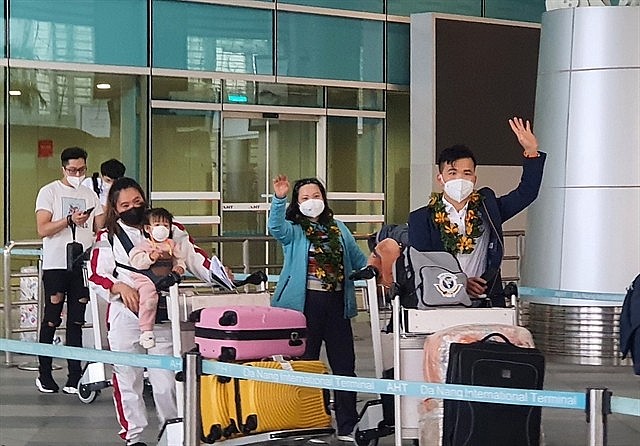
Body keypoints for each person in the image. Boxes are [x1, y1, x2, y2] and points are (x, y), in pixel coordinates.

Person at [89, 177, 225, 446]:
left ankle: (172, 433)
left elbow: (196, 258)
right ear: (115, 209)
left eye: (137, 201)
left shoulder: (170, 229)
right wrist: (118, 287)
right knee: (128, 378)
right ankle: (134, 437)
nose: (133, 208)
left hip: (164, 316)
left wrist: (220, 274)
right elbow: (96, 274)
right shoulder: (108, 236)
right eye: (125, 204)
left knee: (167, 382)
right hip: (125, 316)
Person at [268, 175, 368, 443]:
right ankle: (314, 420)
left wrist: (377, 269)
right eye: (305, 198)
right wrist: (279, 198)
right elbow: (275, 227)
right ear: (297, 203)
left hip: (336, 302)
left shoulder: (338, 228)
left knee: (344, 364)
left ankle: (348, 424)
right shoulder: (294, 229)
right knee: (307, 364)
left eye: (316, 196)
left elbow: (358, 260)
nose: (312, 202)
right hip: (305, 306)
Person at [408, 117, 546, 306]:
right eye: (452, 173)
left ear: (474, 178)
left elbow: (526, 193)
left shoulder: (488, 211)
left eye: (467, 173)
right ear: (440, 178)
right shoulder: (421, 219)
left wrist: (531, 152)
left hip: (485, 299)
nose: (460, 178)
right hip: (440, 303)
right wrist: (461, 282)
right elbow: (423, 264)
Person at [35, 146, 105, 394]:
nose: (77, 173)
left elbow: (99, 225)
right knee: (52, 317)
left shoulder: (90, 194)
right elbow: (42, 228)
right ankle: (44, 373)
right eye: (73, 170)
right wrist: (68, 220)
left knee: (76, 319)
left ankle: (75, 375)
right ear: (63, 168)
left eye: (82, 169)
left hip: (81, 264)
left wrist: (107, 205)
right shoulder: (49, 192)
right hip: (56, 263)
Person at [129, 207, 186, 349]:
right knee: (148, 299)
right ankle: (146, 330)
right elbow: (136, 261)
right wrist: (149, 257)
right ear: (148, 228)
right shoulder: (144, 246)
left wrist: (179, 268)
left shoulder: (172, 245)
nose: (162, 228)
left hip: (166, 277)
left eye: (166, 225)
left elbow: (180, 259)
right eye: (157, 225)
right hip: (146, 279)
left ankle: (175, 325)